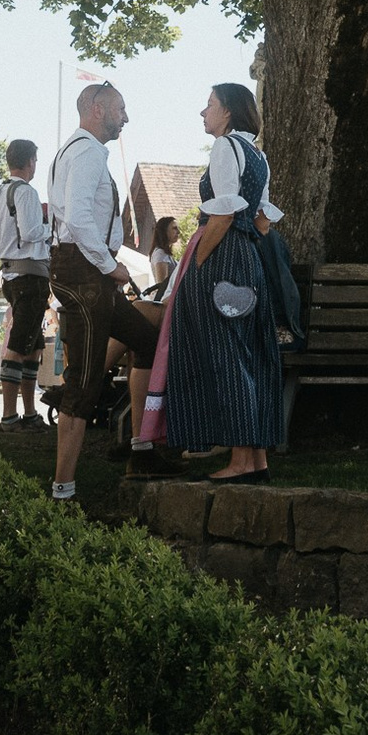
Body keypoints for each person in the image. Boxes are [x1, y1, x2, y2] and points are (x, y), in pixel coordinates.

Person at [164, 82, 286, 481]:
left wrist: (199, 264)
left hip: (222, 256)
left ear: (229, 111)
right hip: (249, 260)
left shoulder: (224, 147)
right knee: (250, 354)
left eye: (210, 104)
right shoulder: (259, 156)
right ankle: (257, 461)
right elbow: (263, 221)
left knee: (225, 354)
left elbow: (222, 215)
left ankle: (238, 461)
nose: (203, 112)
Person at [46, 84, 154, 501]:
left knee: (148, 340)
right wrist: (111, 267)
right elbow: (76, 217)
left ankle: (142, 450)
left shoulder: (74, 151)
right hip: (86, 272)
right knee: (83, 386)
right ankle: (63, 492)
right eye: (121, 109)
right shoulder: (87, 151)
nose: (126, 117)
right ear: (97, 109)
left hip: (86, 270)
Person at [0, 139, 49, 428]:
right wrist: (52, 221)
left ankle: (29, 413)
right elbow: (33, 232)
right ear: (31, 162)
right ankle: (9, 415)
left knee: (33, 345)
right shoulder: (26, 192)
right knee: (18, 346)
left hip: (9, 276)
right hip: (30, 275)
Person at [149, 217, 181, 288]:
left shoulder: (164, 254)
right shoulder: (160, 254)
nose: (178, 232)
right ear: (165, 231)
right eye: (174, 228)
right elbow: (162, 285)